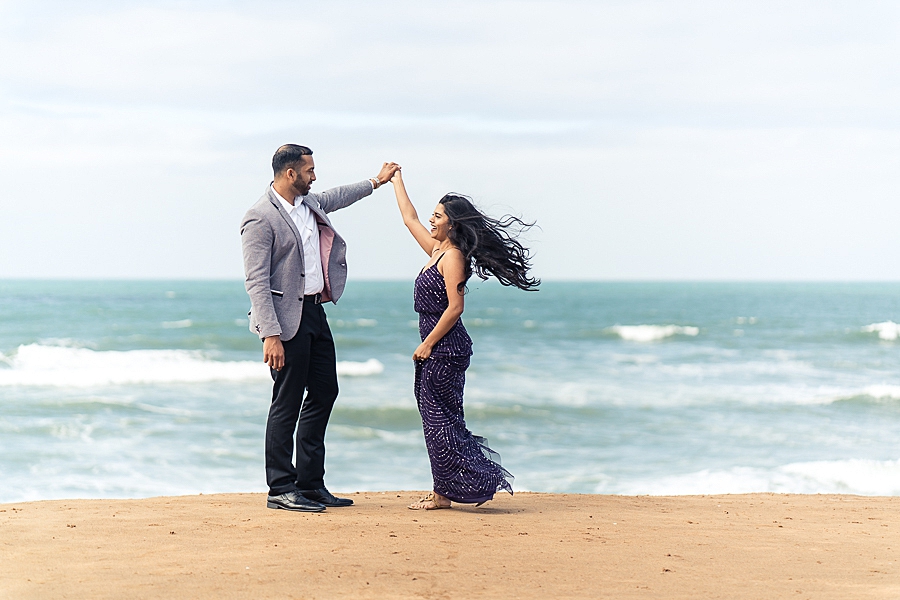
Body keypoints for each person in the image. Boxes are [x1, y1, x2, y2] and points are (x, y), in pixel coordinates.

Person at [241, 144, 400, 513]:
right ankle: (280, 486)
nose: (315, 176)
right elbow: (256, 281)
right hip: (284, 322)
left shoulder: (309, 204)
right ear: (290, 173)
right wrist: (270, 334)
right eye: (310, 170)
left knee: (326, 391)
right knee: (287, 401)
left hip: (315, 312)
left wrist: (376, 181)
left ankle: (310, 483)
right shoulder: (260, 217)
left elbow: (339, 196)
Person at [390, 170, 540, 510]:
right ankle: (450, 486)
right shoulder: (436, 251)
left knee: (439, 419)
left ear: (452, 225)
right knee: (439, 417)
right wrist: (395, 179)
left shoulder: (453, 257)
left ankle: (449, 490)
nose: (431, 219)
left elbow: (455, 307)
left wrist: (427, 344)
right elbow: (409, 218)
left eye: (439, 216)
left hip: (446, 349)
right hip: (440, 348)